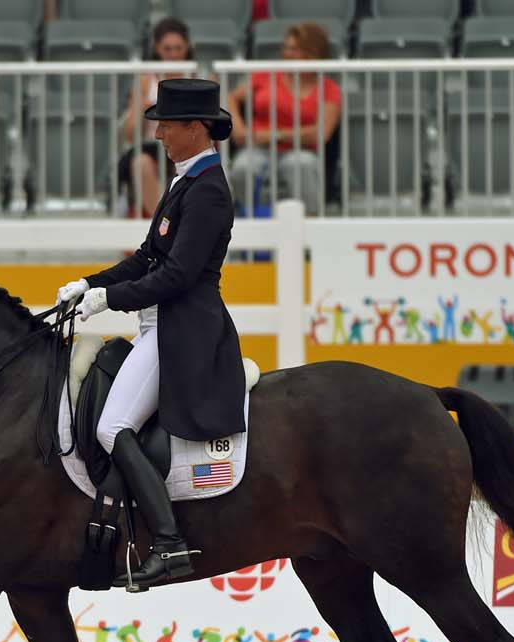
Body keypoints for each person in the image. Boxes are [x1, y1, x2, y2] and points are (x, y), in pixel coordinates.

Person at [55, 79, 246, 591]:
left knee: (111, 427)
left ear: (196, 128)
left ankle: (169, 541)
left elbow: (178, 275)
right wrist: (90, 285)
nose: (157, 133)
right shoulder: (185, 181)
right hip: (160, 324)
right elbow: (146, 258)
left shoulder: (207, 191)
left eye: (166, 124)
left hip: (183, 330)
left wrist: (108, 301)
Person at [225, 22, 341, 216]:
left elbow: (322, 132)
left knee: (300, 165)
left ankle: (309, 232)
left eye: (295, 49)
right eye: (286, 48)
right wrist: (238, 129)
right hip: (258, 147)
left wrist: (275, 135)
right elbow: (232, 98)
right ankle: (251, 224)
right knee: (243, 167)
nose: (288, 54)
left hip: (301, 150)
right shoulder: (266, 76)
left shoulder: (329, 88)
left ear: (313, 53)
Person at [118, 18, 196, 218]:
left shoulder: (198, 78)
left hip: (190, 147)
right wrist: (143, 110)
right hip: (153, 148)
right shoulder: (145, 81)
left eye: (178, 48)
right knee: (140, 163)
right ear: (157, 49)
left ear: (186, 48)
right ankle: (164, 224)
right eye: (167, 49)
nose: (173, 55)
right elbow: (129, 134)